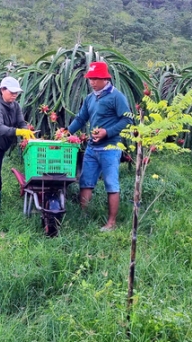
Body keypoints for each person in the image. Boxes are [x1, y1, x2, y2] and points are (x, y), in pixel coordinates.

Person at [67, 61, 132, 231]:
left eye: (96, 79)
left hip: (110, 148)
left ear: (105, 78)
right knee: (86, 182)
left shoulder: (117, 97)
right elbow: (81, 118)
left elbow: (127, 120)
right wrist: (67, 133)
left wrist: (107, 132)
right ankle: (83, 217)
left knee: (111, 183)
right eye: (90, 79)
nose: (92, 82)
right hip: (92, 148)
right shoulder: (90, 98)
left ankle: (111, 222)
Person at [0, 76, 35, 210]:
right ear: (2, 90)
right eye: (11, 92)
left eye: (16, 93)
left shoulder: (15, 105)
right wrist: (19, 132)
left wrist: (26, 131)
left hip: (1, 147)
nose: (14, 95)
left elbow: (21, 121)